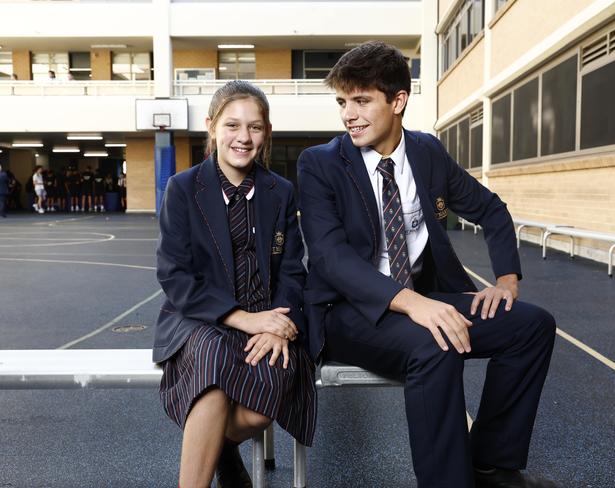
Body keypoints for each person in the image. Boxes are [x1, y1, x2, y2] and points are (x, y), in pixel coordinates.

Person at [297, 41, 557, 488]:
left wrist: (506, 281)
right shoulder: (320, 164)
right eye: (343, 102)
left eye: (361, 100)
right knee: (435, 342)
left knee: (532, 326)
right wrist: (412, 304)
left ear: (397, 101)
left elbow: (491, 210)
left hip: (425, 301)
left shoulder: (426, 152)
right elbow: (330, 258)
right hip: (348, 312)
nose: (348, 114)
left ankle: (490, 464)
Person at [154, 80, 316, 488]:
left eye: (255, 127)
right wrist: (244, 319)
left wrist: (281, 324)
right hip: (201, 318)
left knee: (263, 406)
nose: (244, 138)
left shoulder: (281, 192)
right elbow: (174, 276)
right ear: (211, 127)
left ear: (266, 132)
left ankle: (219, 446)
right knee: (210, 375)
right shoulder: (183, 188)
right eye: (232, 125)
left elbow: (293, 271)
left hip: (268, 317)